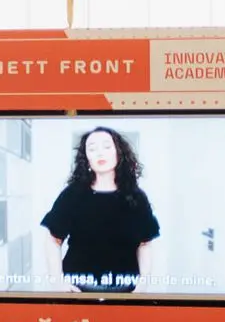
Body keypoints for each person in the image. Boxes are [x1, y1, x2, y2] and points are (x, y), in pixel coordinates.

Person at [39, 126, 161, 295]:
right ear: (86, 157)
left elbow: (145, 244)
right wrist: (58, 282)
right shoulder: (72, 194)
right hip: (78, 290)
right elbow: (53, 240)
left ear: (118, 152)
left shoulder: (136, 197)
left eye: (106, 146)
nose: (100, 153)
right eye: (92, 149)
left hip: (125, 290)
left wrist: (142, 285)